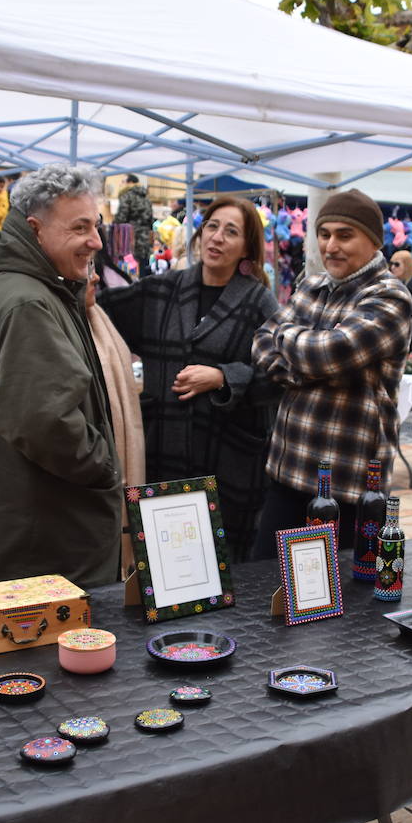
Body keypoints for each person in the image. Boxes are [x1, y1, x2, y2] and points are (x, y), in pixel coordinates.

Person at [0, 163, 120, 589]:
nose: (95, 241)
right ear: (35, 229)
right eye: (79, 228)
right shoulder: (28, 301)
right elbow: (44, 422)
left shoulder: (16, 285)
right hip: (38, 539)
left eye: (95, 226)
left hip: (21, 528)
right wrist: (104, 465)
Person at [97, 195, 280, 560]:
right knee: (165, 560)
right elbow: (100, 307)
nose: (217, 238)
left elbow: (279, 375)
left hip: (229, 457)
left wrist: (223, 376)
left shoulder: (259, 302)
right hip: (166, 447)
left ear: (247, 246)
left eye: (231, 232)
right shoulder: (161, 290)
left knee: (222, 563)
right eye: (212, 227)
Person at [252, 189, 411, 557]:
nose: (331, 246)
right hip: (287, 471)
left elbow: (327, 353)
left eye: (344, 235)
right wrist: (301, 368)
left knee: (338, 607)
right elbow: (261, 341)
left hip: (347, 486)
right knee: (266, 589)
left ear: (373, 241)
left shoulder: (390, 297)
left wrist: (290, 340)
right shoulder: (311, 285)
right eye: (324, 234)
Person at [84, 269, 145, 579]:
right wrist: (105, 467)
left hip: (99, 479)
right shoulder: (61, 321)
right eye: (86, 267)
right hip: (89, 485)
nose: (95, 277)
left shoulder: (97, 320)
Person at [114, 173, 154, 265]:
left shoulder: (127, 196)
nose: (121, 184)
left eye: (123, 181)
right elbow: (151, 220)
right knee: (143, 267)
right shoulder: (146, 198)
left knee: (131, 268)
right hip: (145, 239)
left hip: (131, 238)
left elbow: (121, 218)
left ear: (130, 182)